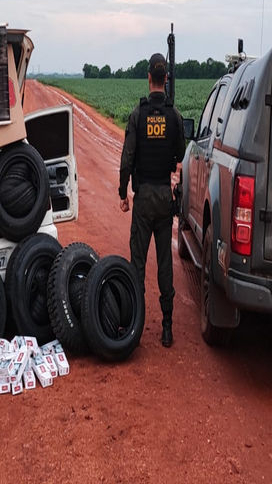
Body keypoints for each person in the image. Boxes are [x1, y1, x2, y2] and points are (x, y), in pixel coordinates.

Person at [119, 53, 185, 347]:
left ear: (149, 78)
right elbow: (180, 155)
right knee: (164, 266)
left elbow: (127, 158)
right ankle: (167, 327)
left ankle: (135, 323)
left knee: (137, 263)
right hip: (163, 196)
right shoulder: (174, 116)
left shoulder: (138, 114)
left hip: (144, 196)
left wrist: (123, 193)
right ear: (166, 79)